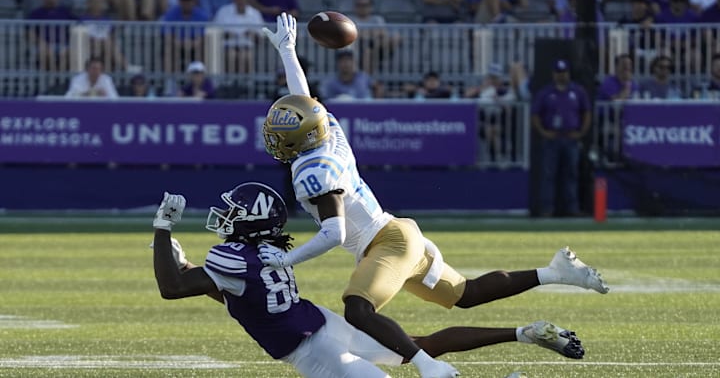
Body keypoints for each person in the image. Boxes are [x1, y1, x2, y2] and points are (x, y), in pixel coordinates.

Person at [257, 13, 609, 378]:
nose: (275, 137)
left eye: (283, 133)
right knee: (466, 294)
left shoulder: (313, 172)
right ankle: (554, 273)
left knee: (357, 311)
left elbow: (335, 234)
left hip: (386, 243)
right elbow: (305, 98)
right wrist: (288, 51)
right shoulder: (326, 131)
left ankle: (429, 367)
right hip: (396, 233)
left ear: (301, 138)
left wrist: (287, 260)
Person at [152, 183, 587, 378]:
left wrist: (162, 230)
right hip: (319, 322)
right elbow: (227, 291)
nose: (224, 219)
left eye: (232, 213)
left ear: (250, 223)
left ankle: (519, 338)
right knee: (420, 345)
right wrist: (184, 264)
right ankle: (521, 333)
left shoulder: (234, 259)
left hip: (310, 348)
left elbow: (174, 289)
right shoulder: (263, 253)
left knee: (399, 367)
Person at [531, 59, 591, 217]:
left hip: (571, 137)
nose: (561, 76)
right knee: (548, 174)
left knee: (571, 174)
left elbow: (586, 112)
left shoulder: (577, 91)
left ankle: (572, 208)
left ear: (568, 73)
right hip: (552, 138)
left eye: (564, 73)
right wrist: (543, 132)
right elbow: (535, 114)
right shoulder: (545, 92)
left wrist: (581, 132)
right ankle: (547, 208)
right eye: (558, 73)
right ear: (553, 74)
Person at [212, 0, 264, 74]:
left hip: (247, 47)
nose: (240, 1)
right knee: (231, 55)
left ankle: (246, 82)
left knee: (246, 56)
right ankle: (230, 82)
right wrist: (226, 34)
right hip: (228, 46)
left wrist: (252, 34)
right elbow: (214, 31)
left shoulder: (255, 14)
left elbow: (261, 36)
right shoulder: (223, 11)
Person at [161, 0, 210, 75]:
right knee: (168, 49)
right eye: (184, 0)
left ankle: (198, 80)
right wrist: (179, 43)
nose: (186, 3)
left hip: (195, 45)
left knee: (202, 48)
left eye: (189, 0)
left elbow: (203, 36)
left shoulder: (202, 15)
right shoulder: (171, 14)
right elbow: (167, 35)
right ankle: (170, 80)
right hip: (176, 43)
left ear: (193, 1)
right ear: (179, 1)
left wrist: (193, 43)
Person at [27, 0, 75, 72]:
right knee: (45, 52)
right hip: (44, 46)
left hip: (64, 45)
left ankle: (58, 77)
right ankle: (53, 78)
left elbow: (78, 27)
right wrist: (42, 43)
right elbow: (30, 32)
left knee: (71, 52)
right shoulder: (36, 13)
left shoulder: (65, 12)